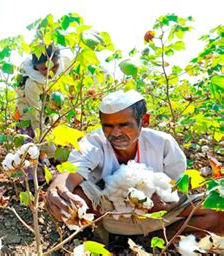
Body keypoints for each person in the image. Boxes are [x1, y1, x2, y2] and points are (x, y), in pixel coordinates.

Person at [45, 89, 223, 237]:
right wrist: (57, 189)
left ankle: (159, 239)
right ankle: (99, 239)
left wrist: (161, 203)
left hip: (158, 217)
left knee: (218, 210)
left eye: (124, 125)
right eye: (108, 126)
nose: (115, 133)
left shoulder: (163, 143)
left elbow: (178, 187)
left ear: (144, 121)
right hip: (107, 216)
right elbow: (70, 175)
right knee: (74, 194)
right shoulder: (94, 142)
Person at [15, 45, 71, 176]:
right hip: (29, 121)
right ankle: (31, 188)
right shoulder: (32, 84)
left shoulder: (63, 70)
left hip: (46, 118)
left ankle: (46, 178)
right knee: (31, 154)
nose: (50, 71)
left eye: (54, 65)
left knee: (44, 156)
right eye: (44, 68)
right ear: (36, 67)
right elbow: (36, 118)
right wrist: (53, 153)